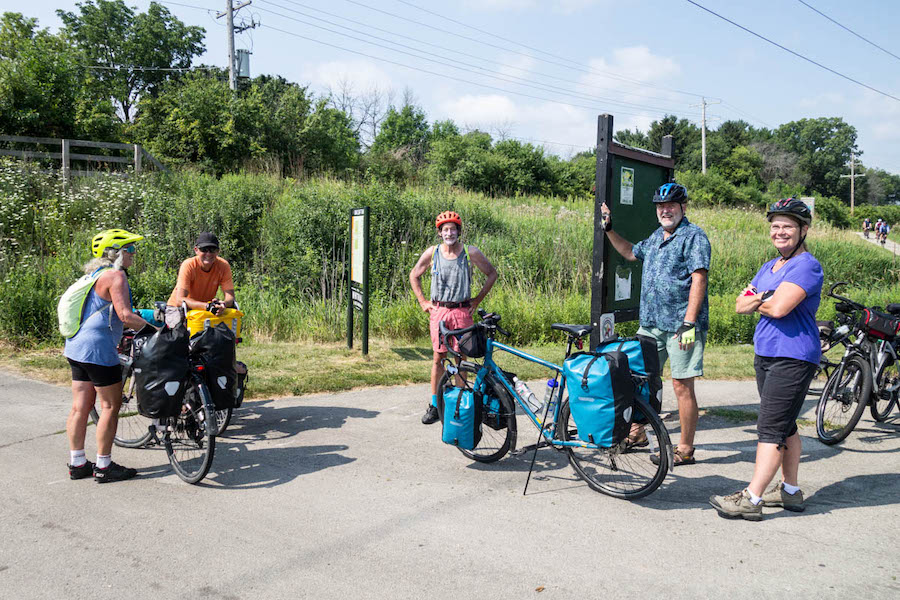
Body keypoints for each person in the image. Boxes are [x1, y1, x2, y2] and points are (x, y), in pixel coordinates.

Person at [710, 198, 822, 520]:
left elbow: (779, 308)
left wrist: (760, 298)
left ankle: (752, 498)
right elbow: (738, 305)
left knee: (770, 428)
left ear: (803, 230)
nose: (780, 232)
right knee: (785, 425)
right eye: (775, 226)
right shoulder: (769, 267)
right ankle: (790, 492)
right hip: (766, 353)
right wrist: (765, 297)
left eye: (788, 226)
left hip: (794, 355)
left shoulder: (807, 265)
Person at [601, 182, 711, 466]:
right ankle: (637, 432)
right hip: (650, 324)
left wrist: (689, 323)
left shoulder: (693, 237)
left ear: (683, 208)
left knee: (681, 385)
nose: (665, 210)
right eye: (661, 207)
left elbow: (699, 279)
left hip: (680, 326)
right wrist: (609, 229)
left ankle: (685, 448)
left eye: (671, 206)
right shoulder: (655, 237)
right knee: (641, 380)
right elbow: (629, 252)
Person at [65, 229, 150, 483]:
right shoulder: (116, 276)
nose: (134, 255)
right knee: (110, 406)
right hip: (98, 350)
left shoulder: (93, 276)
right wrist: (156, 330)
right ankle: (104, 465)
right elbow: (125, 315)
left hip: (76, 347)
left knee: (80, 407)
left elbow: (108, 312)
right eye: (130, 251)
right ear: (117, 254)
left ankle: (77, 463)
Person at [409, 211, 498, 424]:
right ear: (440, 233)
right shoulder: (432, 253)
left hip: (462, 311)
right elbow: (414, 275)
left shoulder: (470, 252)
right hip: (439, 311)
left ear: (459, 231)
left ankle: (460, 402)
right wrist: (423, 301)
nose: (449, 233)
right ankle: (435, 405)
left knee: (461, 359)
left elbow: (492, 273)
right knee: (439, 358)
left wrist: (476, 300)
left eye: (453, 229)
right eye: (445, 229)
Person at [165, 232, 236, 327]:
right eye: (204, 250)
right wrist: (206, 306)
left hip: (205, 309)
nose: (208, 254)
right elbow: (180, 300)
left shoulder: (223, 266)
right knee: (179, 334)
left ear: (218, 251)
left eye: (212, 250)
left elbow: (230, 297)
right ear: (196, 250)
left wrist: (223, 304)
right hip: (178, 307)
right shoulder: (188, 265)